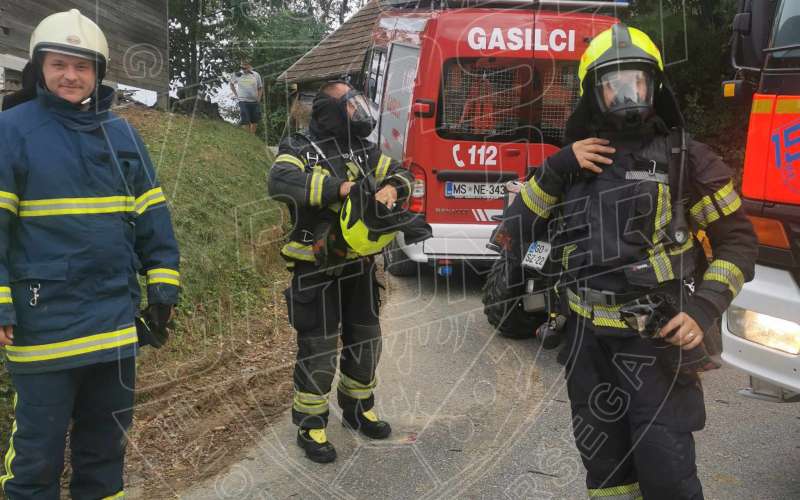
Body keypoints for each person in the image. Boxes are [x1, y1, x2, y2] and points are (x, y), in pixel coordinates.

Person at [507, 24, 757, 499]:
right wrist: (558, 168)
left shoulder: (686, 159)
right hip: (585, 346)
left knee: (667, 474)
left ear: (653, 85)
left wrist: (703, 310)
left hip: (656, 345)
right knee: (605, 476)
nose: (626, 94)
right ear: (593, 94)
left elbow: (739, 242)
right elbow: (514, 233)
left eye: (635, 82)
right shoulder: (570, 165)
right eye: (612, 84)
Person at [0, 9, 180, 499]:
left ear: (98, 73)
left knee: (105, 451)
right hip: (44, 326)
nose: (71, 76)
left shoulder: (122, 135)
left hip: (114, 321)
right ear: (39, 67)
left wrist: (163, 284)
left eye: (82, 67)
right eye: (59, 64)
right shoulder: (12, 130)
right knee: (37, 456)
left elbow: (152, 213)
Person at [268, 81, 413, 463]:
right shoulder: (298, 147)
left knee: (366, 341)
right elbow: (280, 182)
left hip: (360, 266)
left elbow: (401, 173)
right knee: (318, 348)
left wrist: (394, 190)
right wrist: (341, 188)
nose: (358, 112)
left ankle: (358, 407)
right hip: (315, 269)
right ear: (331, 111)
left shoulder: (365, 150)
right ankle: (311, 423)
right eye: (350, 107)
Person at [230, 58, 263, 134]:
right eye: (242, 67)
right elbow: (231, 84)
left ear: (249, 66)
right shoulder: (237, 75)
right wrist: (236, 95)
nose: (243, 69)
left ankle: (252, 137)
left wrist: (259, 98)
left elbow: (260, 87)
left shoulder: (256, 75)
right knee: (245, 120)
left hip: (254, 101)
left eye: (245, 67)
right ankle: (247, 137)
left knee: (255, 120)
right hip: (243, 101)